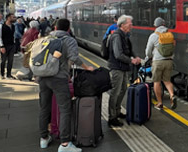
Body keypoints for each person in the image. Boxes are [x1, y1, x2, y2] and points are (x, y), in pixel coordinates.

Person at [38, 19, 94, 152]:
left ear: (55, 27)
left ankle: (44, 139)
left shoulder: (46, 38)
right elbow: (74, 58)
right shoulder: (69, 40)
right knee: (64, 109)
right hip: (58, 78)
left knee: (44, 108)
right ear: (68, 29)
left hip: (43, 77)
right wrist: (87, 67)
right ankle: (64, 143)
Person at [107, 15, 141, 127]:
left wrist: (135, 58)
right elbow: (118, 54)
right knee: (115, 92)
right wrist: (132, 61)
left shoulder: (125, 36)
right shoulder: (117, 36)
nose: (131, 25)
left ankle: (117, 111)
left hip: (123, 68)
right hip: (117, 68)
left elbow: (129, 50)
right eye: (129, 23)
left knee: (122, 89)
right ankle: (112, 117)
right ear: (122, 25)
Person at [145, 17, 177, 110]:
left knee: (157, 82)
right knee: (167, 81)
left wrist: (149, 57)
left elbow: (148, 51)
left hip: (157, 62)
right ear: (164, 24)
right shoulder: (170, 34)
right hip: (169, 61)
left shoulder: (154, 35)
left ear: (155, 25)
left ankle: (159, 102)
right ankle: (172, 95)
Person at [0, 14, 18, 80]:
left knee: (10, 60)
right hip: (4, 46)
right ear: (8, 18)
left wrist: (14, 44)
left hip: (11, 45)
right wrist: (1, 46)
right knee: (3, 60)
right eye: (13, 17)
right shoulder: (1, 26)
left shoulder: (13, 26)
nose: (15, 18)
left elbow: (13, 35)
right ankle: (2, 74)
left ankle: (9, 74)